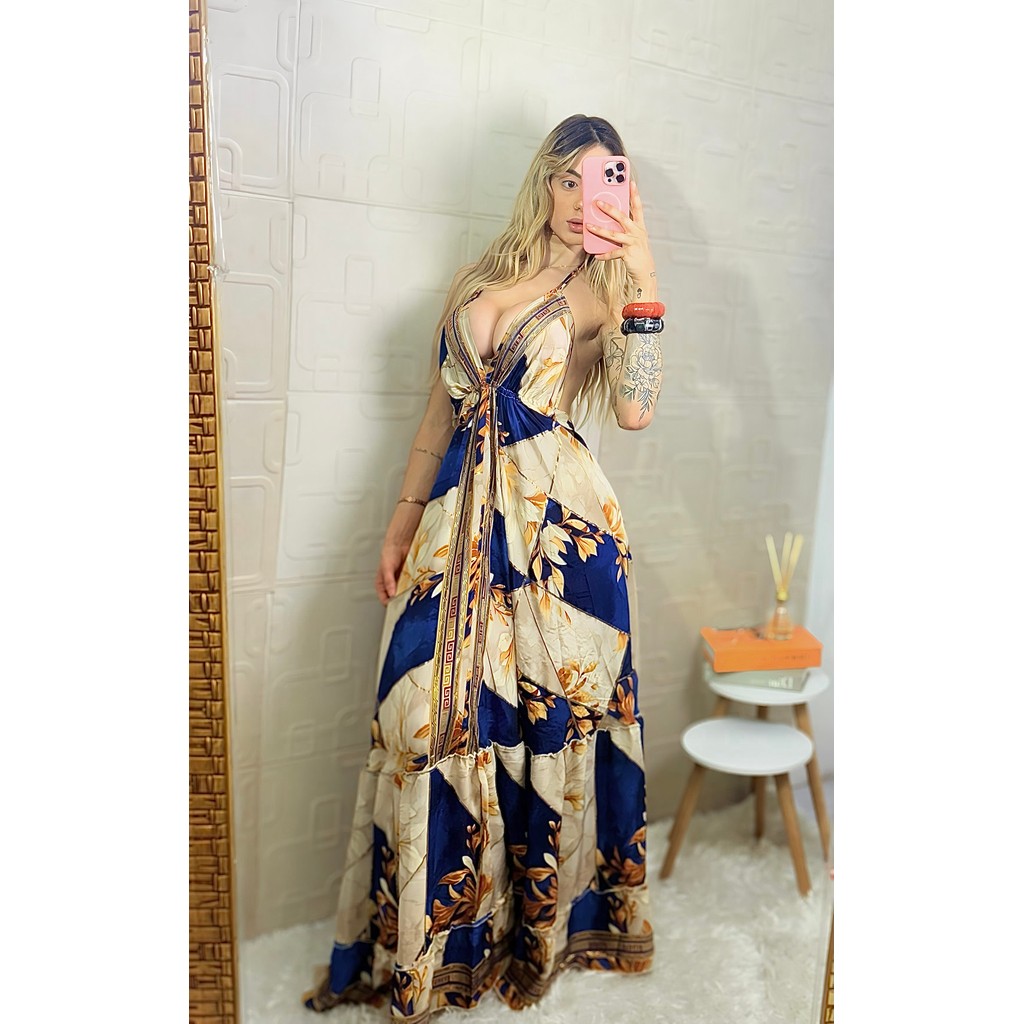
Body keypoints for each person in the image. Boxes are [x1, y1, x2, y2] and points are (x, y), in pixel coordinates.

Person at [302, 114, 664, 1020]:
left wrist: (645, 272)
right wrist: (399, 522)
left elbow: (635, 410)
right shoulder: (480, 279)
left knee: (539, 729)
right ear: (545, 183)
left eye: (607, 180)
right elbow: (439, 414)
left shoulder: (607, 297)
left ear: (626, 193)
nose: (585, 200)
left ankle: (524, 942)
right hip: (453, 528)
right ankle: (431, 954)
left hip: (558, 544)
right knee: (423, 720)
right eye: (570, 179)